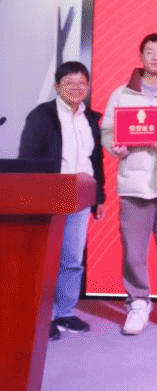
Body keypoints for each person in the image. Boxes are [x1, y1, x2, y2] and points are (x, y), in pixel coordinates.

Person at [101, 33, 157, 335]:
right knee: (133, 252)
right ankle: (138, 303)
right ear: (140, 56)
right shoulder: (121, 93)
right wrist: (115, 146)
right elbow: (108, 131)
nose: (155, 57)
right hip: (134, 184)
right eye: (150, 52)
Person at [17, 61, 107, 340]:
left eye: (82, 83)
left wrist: (99, 197)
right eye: (69, 82)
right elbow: (28, 157)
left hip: (81, 195)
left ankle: (65, 312)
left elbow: (96, 161)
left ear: (88, 86)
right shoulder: (42, 115)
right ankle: (44, 316)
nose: (76, 88)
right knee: (47, 259)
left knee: (72, 258)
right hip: (50, 193)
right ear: (57, 86)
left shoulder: (91, 118)